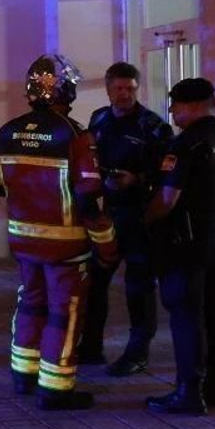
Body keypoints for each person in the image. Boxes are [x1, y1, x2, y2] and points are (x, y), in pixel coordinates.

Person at [0, 54, 119, 411]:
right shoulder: (74, 135)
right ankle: (56, 388)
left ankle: (24, 375)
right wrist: (107, 244)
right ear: (64, 91)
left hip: (23, 240)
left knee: (30, 302)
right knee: (66, 311)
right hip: (66, 246)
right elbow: (89, 197)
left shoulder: (8, 131)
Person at [144, 78, 215, 415]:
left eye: (176, 104)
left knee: (186, 314)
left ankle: (188, 392)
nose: (171, 110)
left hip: (186, 240)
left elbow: (168, 200)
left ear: (194, 106)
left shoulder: (185, 145)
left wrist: (144, 219)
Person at [80, 62, 173, 376]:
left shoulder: (153, 126)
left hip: (141, 217)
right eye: (118, 89)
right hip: (108, 216)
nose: (124, 95)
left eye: (130, 89)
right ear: (108, 89)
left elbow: (169, 174)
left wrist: (138, 180)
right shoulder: (99, 119)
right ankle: (91, 348)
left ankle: (137, 353)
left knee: (139, 287)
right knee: (95, 282)